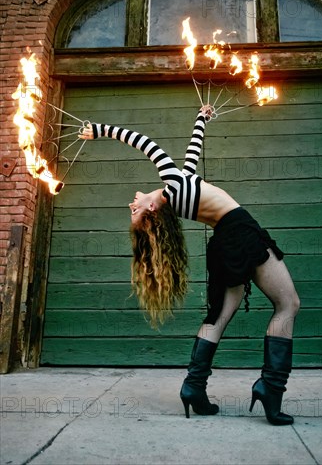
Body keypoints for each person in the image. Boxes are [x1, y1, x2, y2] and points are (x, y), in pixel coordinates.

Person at [80, 105, 300, 426]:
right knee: (288, 304)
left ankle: (193, 387)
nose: (132, 203)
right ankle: (271, 387)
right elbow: (143, 141)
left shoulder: (181, 185)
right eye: (136, 211)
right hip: (239, 229)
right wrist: (98, 130)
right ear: (153, 208)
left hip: (224, 239)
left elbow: (192, 152)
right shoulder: (172, 185)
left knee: (219, 316)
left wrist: (202, 118)